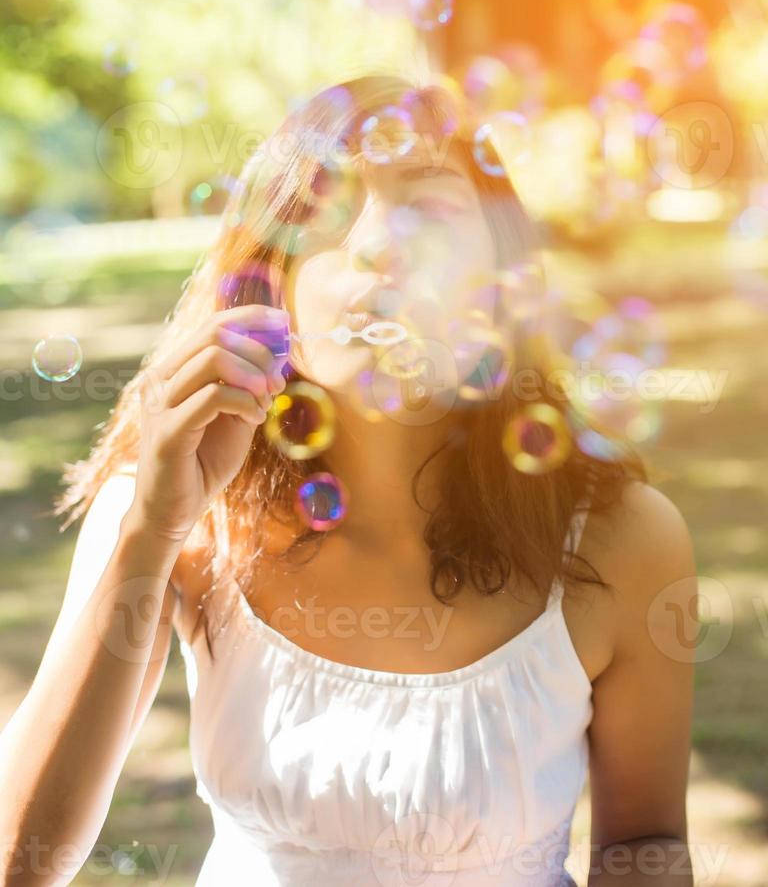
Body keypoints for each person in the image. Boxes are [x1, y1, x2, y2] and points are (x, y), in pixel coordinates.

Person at [0, 75, 696, 886]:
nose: (378, 243)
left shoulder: (623, 538)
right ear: (269, 287)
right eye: (326, 214)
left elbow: (643, 844)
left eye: (428, 209)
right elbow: (21, 864)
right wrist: (149, 533)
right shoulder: (175, 511)